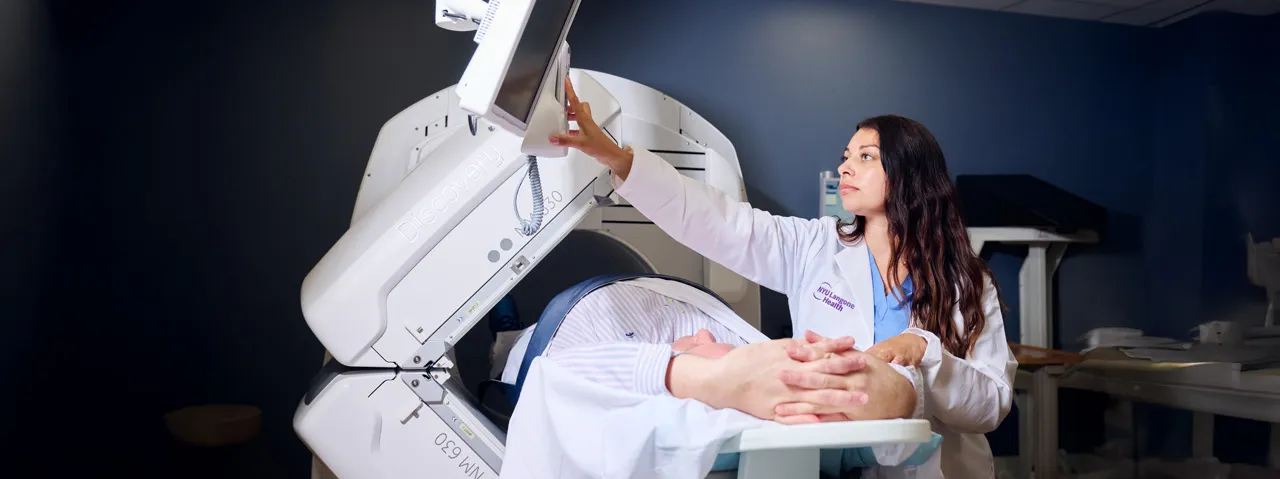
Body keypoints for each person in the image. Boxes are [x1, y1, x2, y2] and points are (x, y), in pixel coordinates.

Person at [549, 76, 1017, 478]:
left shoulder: (966, 280)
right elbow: (715, 221)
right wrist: (618, 158)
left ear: (910, 171)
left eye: (866, 157)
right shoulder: (812, 246)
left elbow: (992, 404)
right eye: (846, 155)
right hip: (832, 464)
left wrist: (926, 352)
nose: (845, 166)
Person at [500, 275, 939, 478]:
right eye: (686, 346)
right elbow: (552, 374)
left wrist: (712, 377)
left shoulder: (709, 414)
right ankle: (506, 337)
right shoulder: (715, 399)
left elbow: (553, 380)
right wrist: (713, 378)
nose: (704, 333)